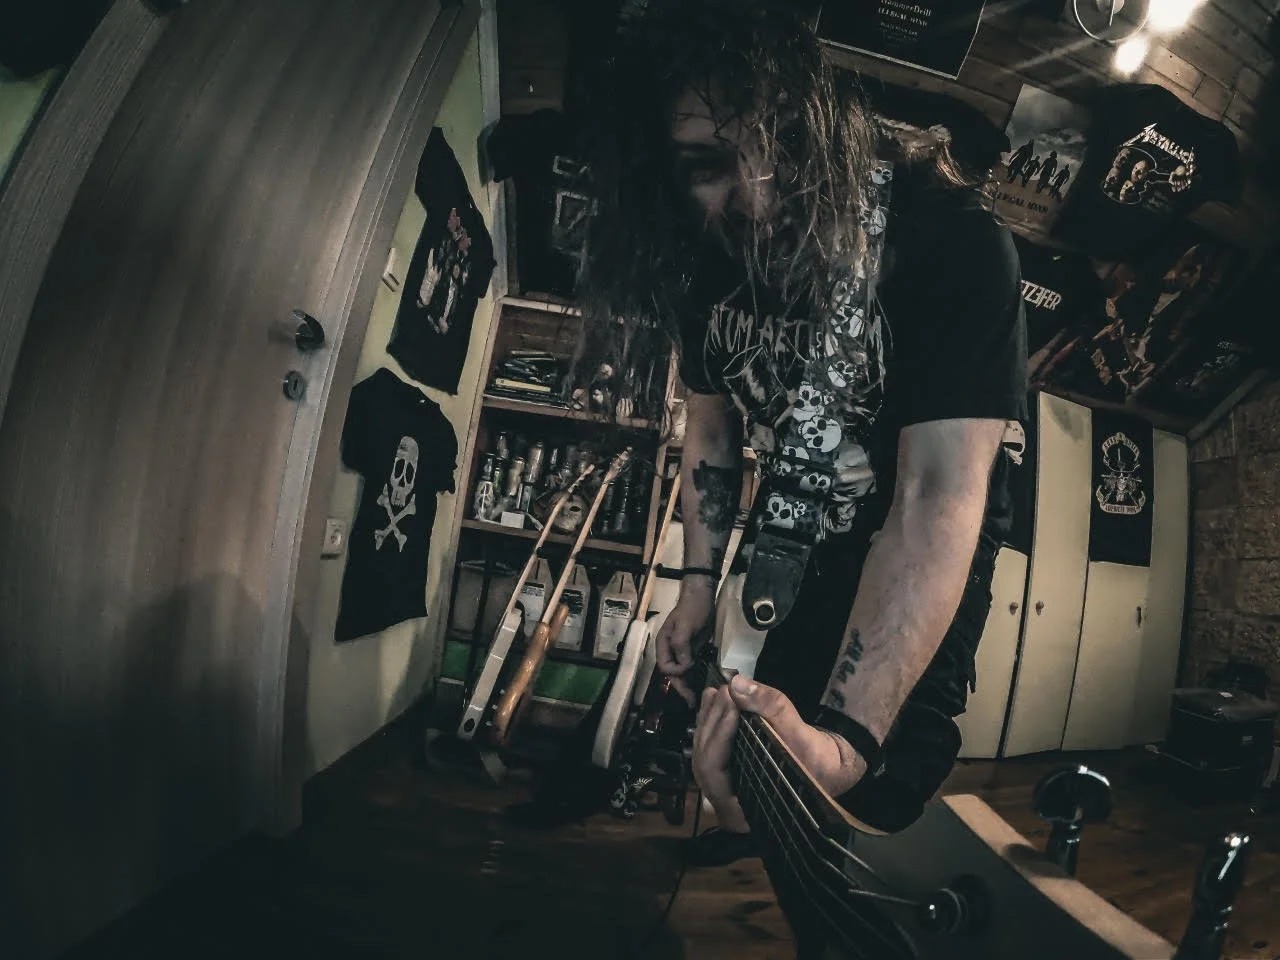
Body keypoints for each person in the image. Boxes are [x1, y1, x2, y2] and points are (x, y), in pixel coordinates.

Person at [574, 0, 1026, 885]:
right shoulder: (698, 254)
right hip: (795, 539)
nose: (756, 196)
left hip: (917, 545)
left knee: (870, 807)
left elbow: (934, 497)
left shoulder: (952, 239)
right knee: (769, 771)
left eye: (781, 142)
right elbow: (712, 428)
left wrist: (848, 742)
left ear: (822, 119)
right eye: (707, 166)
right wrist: (695, 590)